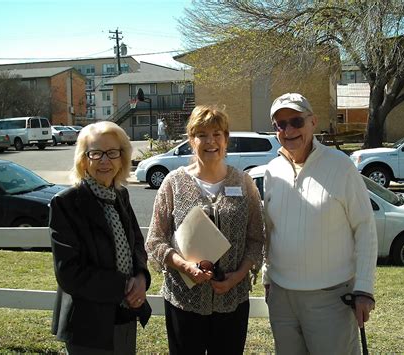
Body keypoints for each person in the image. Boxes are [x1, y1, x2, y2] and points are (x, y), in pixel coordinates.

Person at [263, 93, 378, 354]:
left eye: (296, 121)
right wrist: (268, 276)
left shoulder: (341, 166)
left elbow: (364, 228)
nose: (288, 130)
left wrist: (364, 289)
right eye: (280, 124)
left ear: (313, 122)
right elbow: (270, 229)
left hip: (331, 299)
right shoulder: (272, 170)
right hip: (282, 297)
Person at [146, 105, 265, 354]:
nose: (210, 141)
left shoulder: (244, 184)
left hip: (232, 299)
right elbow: (155, 239)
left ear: (226, 139)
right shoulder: (174, 183)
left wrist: (238, 276)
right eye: (201, 134)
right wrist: (184, 266)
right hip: (184, 300)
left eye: (217, 134)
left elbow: (256, 240)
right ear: (191, 140)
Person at [49, 121, 151, 354]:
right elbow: (69, 273)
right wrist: (125, 286)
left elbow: (136, 243)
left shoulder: (121, 195)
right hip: (87, 325)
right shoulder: (66, 203)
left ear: (122, 158)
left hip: (124, 314)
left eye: (112, 153)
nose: (105, 161)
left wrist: (141, 277)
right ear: (84, 159)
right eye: (96, 153)